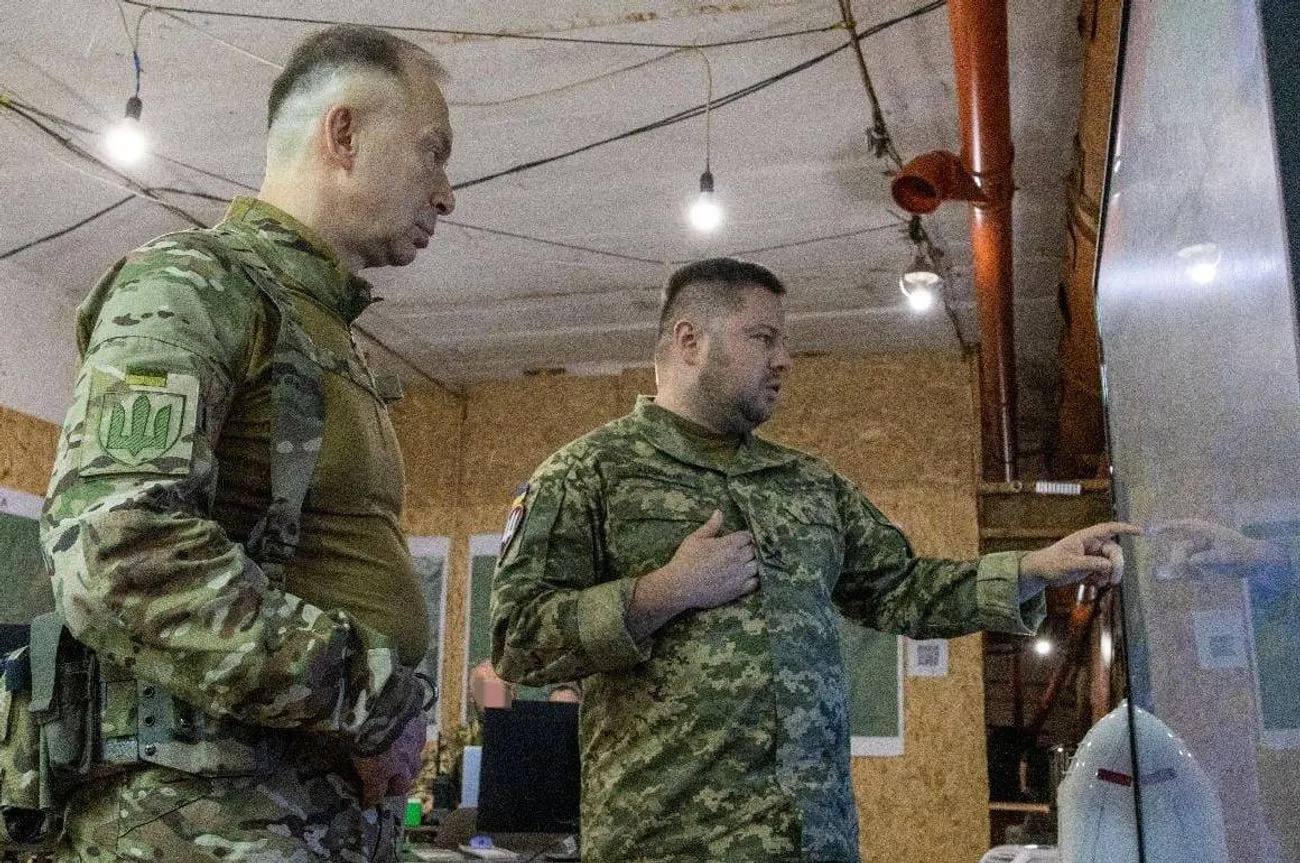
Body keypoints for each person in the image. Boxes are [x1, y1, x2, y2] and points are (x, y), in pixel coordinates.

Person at [490, 257, 1139, 863]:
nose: (785, 359)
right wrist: (665, 590)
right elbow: (518, 640)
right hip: (667, 844)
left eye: (784, 341)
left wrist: (1032, 569)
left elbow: (902, 586)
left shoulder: (808, 484)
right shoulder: (587, 474)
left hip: (813, 842)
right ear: (689, 341)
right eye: (762, 338)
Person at [39, 24, 454, 861]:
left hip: (306, 811)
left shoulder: (323, 331)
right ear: (344, 134)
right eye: (432, 153)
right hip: (202, 820)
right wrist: (369, 701)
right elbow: (117, 549)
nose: (446, 194)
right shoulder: (192, 283)